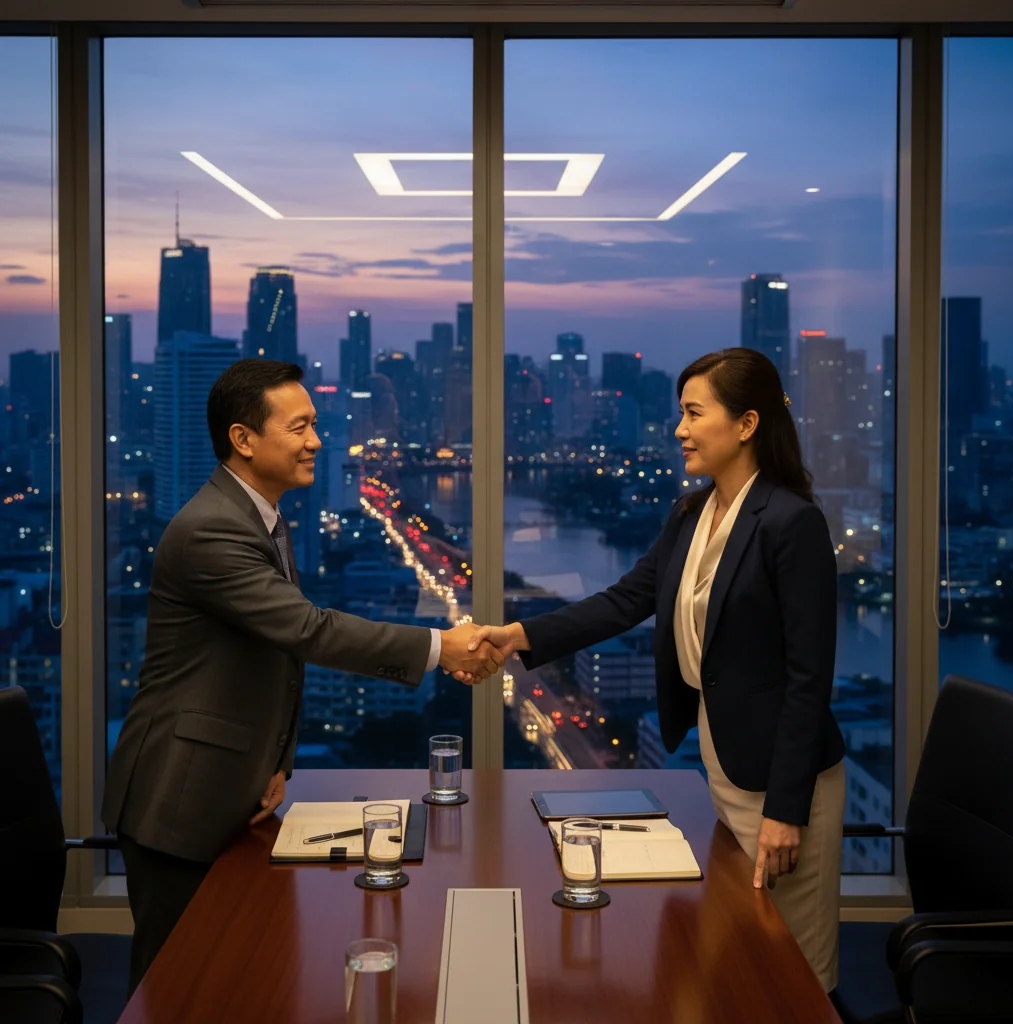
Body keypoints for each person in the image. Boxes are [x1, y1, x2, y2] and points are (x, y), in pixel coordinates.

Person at [102, 359, 503, 995]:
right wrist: (441, 647)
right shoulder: (211, 530)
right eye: (300, 427)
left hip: (227, 786)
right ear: (244, 439)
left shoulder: (261, 517)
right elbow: (308, 631)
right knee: (178, 985)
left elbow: (268, 658)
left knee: (242, 974)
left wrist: (275, 760)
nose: (317, 441)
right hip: (178, 796)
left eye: (315, 424)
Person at [469, 348, 846, 992]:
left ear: (747, 424)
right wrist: (518, 635)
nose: (679, 429)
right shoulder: (693, 514)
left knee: (793, 971)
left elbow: (809, 677)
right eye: (680, 414)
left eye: (694, 414)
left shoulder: (791, 522)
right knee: (740, 952)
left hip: (787, 783)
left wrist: (787, 808)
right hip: (724, 767)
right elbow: (626, 600)